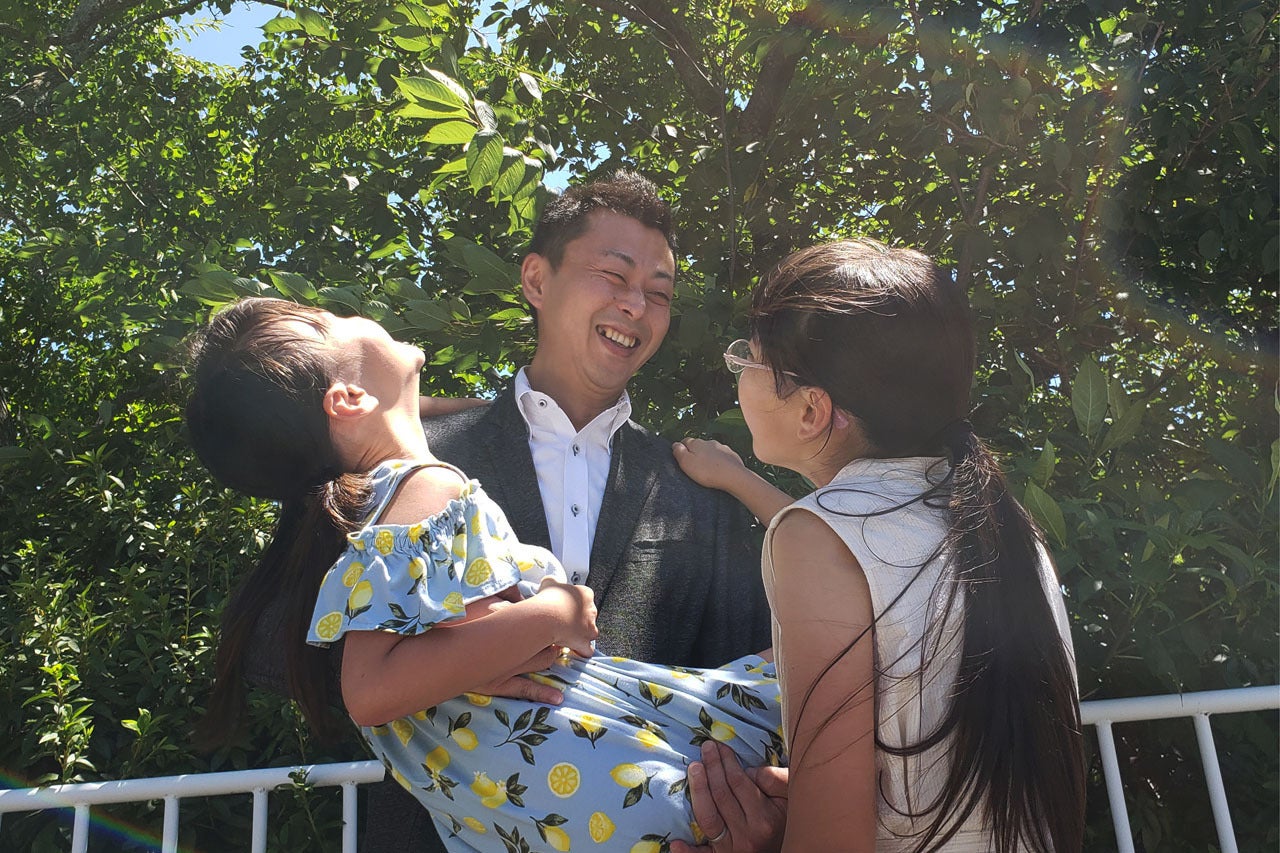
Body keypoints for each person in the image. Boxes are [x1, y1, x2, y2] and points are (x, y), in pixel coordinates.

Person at [185, 297, 786, 853]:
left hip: (556, 804)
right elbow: (368, 691)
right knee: (804, 682)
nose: (344, 313)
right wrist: (553, 614)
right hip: (594, 767)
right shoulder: (427, 487)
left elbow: (406, 413)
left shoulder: (371, 505)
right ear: (347, 399)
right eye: (326, 322)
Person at [666, 238, 1086, 851]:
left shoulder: (817, 536)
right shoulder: (1000, 523)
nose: (739, 374)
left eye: (749, 360)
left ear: (811, 410)